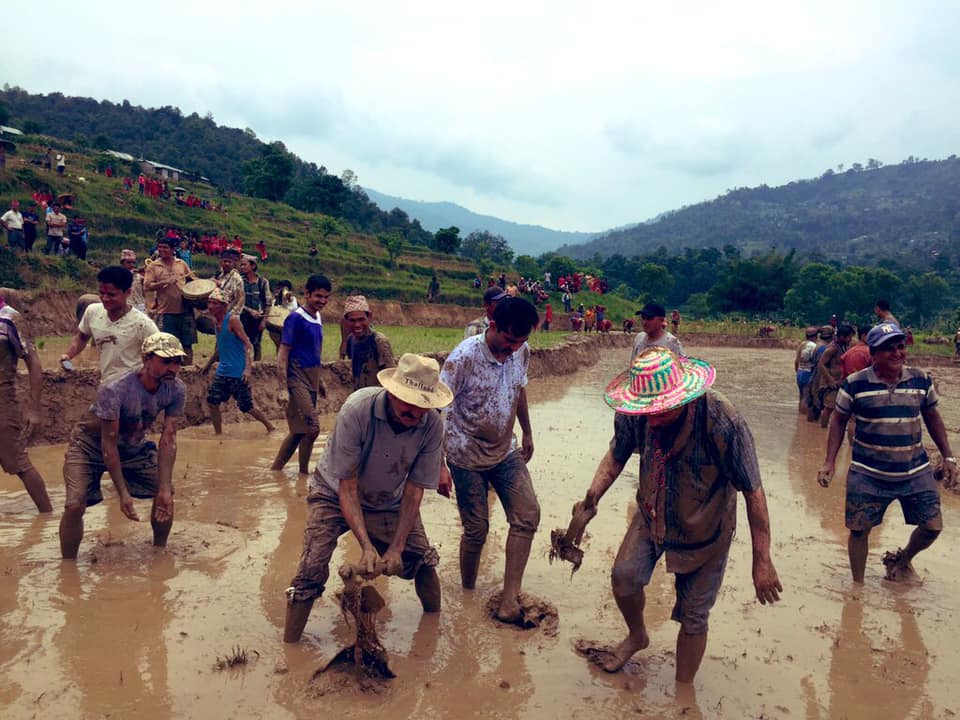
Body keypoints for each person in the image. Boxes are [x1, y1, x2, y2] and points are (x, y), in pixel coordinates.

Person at [571, 347, 781, 681]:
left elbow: (753, 492)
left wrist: (762, 560)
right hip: (652, 512)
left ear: (684, 397)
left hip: (707, 528)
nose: (652, 420)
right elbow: (616, 455)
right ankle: (637, 635)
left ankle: (684, 693)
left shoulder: (723, 421)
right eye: (647, 411)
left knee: (694, 616)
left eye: (661, 411)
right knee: (624, 577)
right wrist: (591, 498)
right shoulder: (635, 412)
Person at [283, 354, 453, 642]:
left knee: (423, 560)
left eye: (423, 406)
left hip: (388, 498)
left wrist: (397, 548)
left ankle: (435, 635)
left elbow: (414, 492)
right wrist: (366, 546)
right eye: (409, 404)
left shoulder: (433, 426)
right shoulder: (357, 410)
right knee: (311, 568)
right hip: (332, 490)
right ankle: (290, 649)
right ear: (393, 393)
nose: (416, 413)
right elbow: (347, 488)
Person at [817, 323, 959, 584]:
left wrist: (948, 457)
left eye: (900, 347)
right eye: (888, 349)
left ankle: (902, 560)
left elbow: (933, 418)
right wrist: (829, 462)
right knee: (859, 530)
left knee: (932, 526)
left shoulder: (921, 379)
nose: (897, 353)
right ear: (873, 353)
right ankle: (857, 589)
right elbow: (838, 421)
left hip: (915, 471)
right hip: (867, 473)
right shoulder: (854, 384)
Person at [440, 297, 541, 623]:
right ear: (493, 326)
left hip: (505, 450)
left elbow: (519, 389)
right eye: (509, 340)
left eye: (520, 341)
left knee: (527, 515)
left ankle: (509, 599)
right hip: (465, 453)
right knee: (476, 529)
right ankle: (467, 593)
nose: (513, 348)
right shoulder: (463, 357)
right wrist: (438, 464)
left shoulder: (521, 352)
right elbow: (439, 409)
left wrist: (527, 431)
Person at [59, 332, 188, 559]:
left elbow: (169, 438)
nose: (173, 368)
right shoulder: (115, 389)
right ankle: (67, 567)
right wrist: (123, 493)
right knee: (74, 505)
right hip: (89, 446)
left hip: (132, 446)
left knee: (165, 493)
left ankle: (159, 554)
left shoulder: (176, 389)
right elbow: (108, 444)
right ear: (146, 359)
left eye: (177, 362)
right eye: (166, 361)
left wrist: (165, 488)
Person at [271, 275, 332, 474]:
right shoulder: (295, 318)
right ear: (307, 294)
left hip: (311, 378)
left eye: (326, 297)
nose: (322, 301)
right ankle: (304, 473)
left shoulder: (318, 317)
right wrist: (282, 388)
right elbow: (283, 353)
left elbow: (315, 352)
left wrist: (320, 380)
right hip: (296, 377)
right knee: (312, 428)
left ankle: (276, 470)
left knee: (299, 431)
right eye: (318, 296)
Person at [61, 266, 159, 388]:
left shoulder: (143, 324)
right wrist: (68, 356)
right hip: (107, 386)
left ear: (128, 293)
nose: (105, 298)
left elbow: (159, 357)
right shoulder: (93, 312)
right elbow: (82, 337)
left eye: (111, 295)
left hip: (133, 389)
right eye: (102, 293)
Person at [0, 290, 53, 513]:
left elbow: (34, 364)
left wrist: (34, 408)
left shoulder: (10, 318)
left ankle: (47, 517)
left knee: (19, 463)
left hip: (2, 402)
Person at [201, 289, 274, 434]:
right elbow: (221, 347)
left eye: (214, 303)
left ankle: (270, 427)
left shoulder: (233, 320)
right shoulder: (216, 322)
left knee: (246, 407)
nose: (210, 306)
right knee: (212, 402)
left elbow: (248, 345)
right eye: (209, 302)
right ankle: (218, 434)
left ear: (223, 306)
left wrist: (248, 369)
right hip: (222, 371)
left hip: (237, 372)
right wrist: (208, 365)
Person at [143, 237, 196, 365]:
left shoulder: (181, 264)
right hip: (166, 312)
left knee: (187, 344)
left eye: (165, 247)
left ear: (173, 249)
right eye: (160, 247)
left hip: (186, 311)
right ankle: (169, 370)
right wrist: (165, 282)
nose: (162, 250)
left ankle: (187, 370)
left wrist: (208, 283)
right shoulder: (153, 266)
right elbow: (147, 286)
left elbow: (193, 280)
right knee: (167, 346)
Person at [343, 295, 396, 390]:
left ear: (369, 317)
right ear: (346, 321)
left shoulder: (379, 341)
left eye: (361, 319)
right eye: (352, 320)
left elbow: (390, 375)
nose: (357, 325)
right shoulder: (351, 339)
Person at [810, 322, 853, 428]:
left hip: (839, 383)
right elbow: (821, 364)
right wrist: (830, 380)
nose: (850, 339)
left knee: (836, 409)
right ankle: (822, 430)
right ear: (842, 337)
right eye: (849, 337)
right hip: (831, 385)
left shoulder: (842, 346)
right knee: (828, 408)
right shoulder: (832, 348)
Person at [238, 255, 271, 362]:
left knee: (256, 343)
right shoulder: (239, 281)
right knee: (241, 343)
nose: (242, 267)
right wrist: (249, 310)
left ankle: (256, 366)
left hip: (258, 318)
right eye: (241, 265)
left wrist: (264, 321)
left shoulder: (263, 282)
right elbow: (236, 300)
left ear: (253, 266)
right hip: (242, 317)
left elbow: (268, 303)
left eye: (244, 264)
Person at [214, 248, 245, 317]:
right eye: (225, 261)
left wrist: (232, 313)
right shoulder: (219, 275)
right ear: (221, 262)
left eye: (229, 262)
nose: (227, 264)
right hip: (218, 313)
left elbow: (241, 299)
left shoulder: (237, 278)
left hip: (229, 314)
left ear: (234, 264)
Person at [794, 326, 819, 413]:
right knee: (806, 397)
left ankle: (800, 413)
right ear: (816, 336)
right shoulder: (814, 346)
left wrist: (797, 371)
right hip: (808, 373)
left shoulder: (802, 344)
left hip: (800, 371)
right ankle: (803, 417)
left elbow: (796, 361)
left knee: (801, 396)